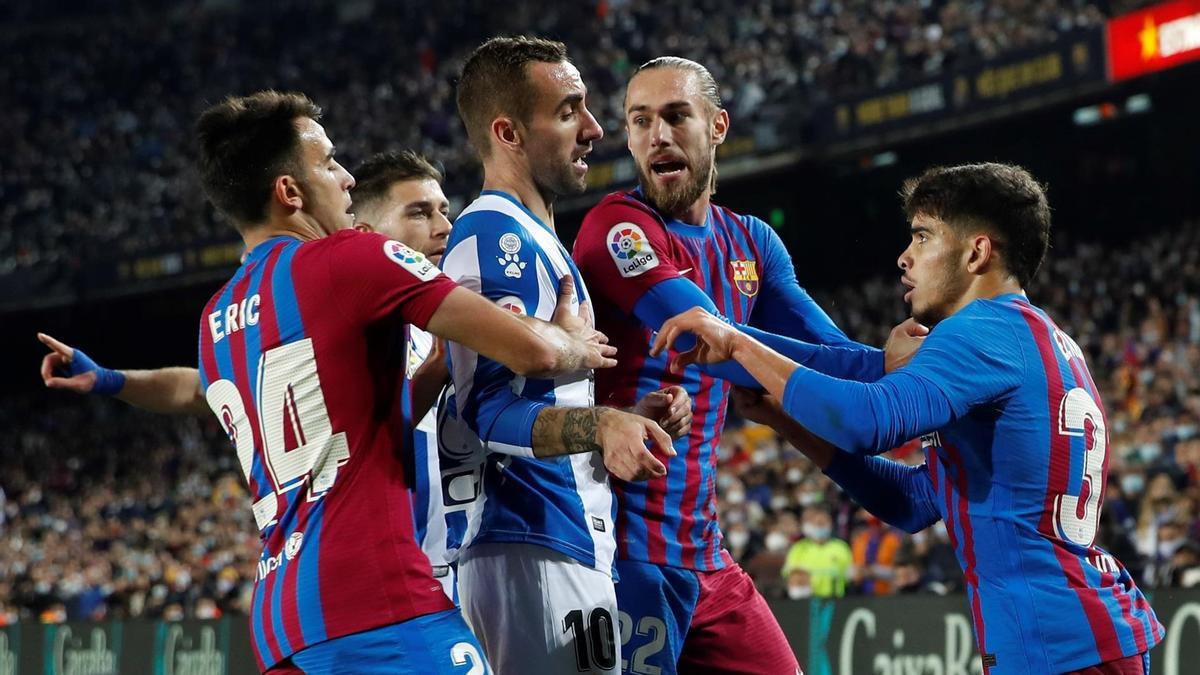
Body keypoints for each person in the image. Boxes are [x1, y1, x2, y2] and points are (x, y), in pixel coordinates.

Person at [54, 90, 620, 674]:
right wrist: (573, 342)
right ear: (289, 192)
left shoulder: (217, 319)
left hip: (282, 624)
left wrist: (111, 380)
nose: (347, 177)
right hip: (379, 604)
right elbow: (525, 348)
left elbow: (199, 391)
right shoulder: (352, 259)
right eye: (328, 162)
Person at [653, 162, 1165, 674]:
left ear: (976, 253)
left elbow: (867, 420)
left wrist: (739, 343)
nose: (904, 257)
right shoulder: (1033, 337)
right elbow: (915, 502)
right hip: (1083, 634)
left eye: (922, 237)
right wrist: (786, 421)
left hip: (1059, 644)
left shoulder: (983, 330)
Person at [572, 56, 915, 674]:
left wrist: (891, 367)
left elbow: (826, 355)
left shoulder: (752, 241)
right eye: (641, 121)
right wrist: (886, 367)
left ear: (718, 126)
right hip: (626, 553)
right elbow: (711, 341)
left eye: (677, 116)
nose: (659, 136)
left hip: (704, 555)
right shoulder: (616, 230)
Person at [40, 149, 471, 605]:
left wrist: (109, 380)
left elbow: (202, 387)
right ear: (364, 234)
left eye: (444, 211)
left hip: (440, 568)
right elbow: (205, 392)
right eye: (419, 213)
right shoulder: (341, 319)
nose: (444, 227)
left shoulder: (434, 321)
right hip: (382, 581)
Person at [444, 37, 690, 675]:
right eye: (568, 111)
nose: (593, 128)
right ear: (508, 132)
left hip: (558, 542)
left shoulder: (533, 239)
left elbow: (533, 396)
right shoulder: (495, 237)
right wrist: (601, 424)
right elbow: (486, 411)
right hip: (531, 547)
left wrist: (627, 413)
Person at [780, 505, 851, 599]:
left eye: (823, 523)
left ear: (830, 525)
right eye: (817, 524)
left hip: (835, 600)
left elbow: (849, 575)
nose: (820, 527)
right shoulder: (799, 548)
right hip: (805, 600)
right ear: (811, 526)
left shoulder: (841, 547)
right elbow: (789, 574)